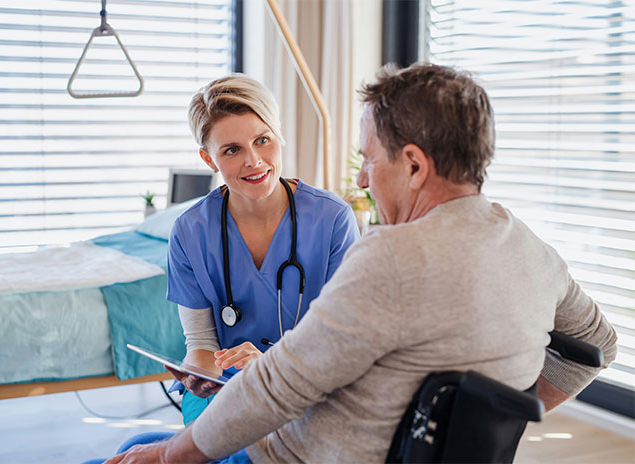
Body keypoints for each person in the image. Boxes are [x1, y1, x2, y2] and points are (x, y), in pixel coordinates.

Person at [94, 63, 617, 464]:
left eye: (369, 158)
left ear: (413, 165)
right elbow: (599, 345)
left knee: (135, 449)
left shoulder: (388, 256)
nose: (363, 179)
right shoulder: (531, 249)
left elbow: (279, 388)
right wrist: (489, 429)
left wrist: (168, 455)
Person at [165, 74, 360, 425]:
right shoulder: (190, 231)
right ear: (209, 160)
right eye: (232, 150)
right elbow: (201, 345)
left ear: (278, 135)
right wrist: (197, 376)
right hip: (225, 392)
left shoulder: (332, 220)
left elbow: (342, 344)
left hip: (308, 388)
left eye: (263, 140)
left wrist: (271, 370)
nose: (253, 161)